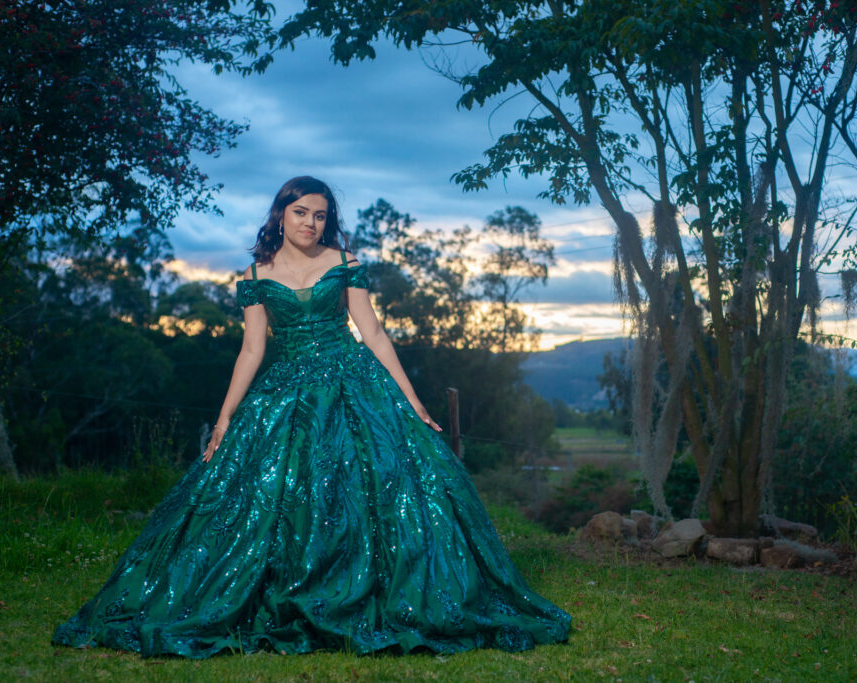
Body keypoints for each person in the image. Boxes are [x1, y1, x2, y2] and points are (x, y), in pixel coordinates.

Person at [51, 175, 571, 658]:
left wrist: (411, 400)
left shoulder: (344, 262)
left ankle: (378, 585)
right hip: (287, 391)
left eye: (320, 215)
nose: (310, 223)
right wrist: (225, 418)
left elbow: (372, 332)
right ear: (280, 215)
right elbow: (252, 349)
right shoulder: (256, 275)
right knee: (269, 494)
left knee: (385, 484)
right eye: (301, 212)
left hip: (354, 383)